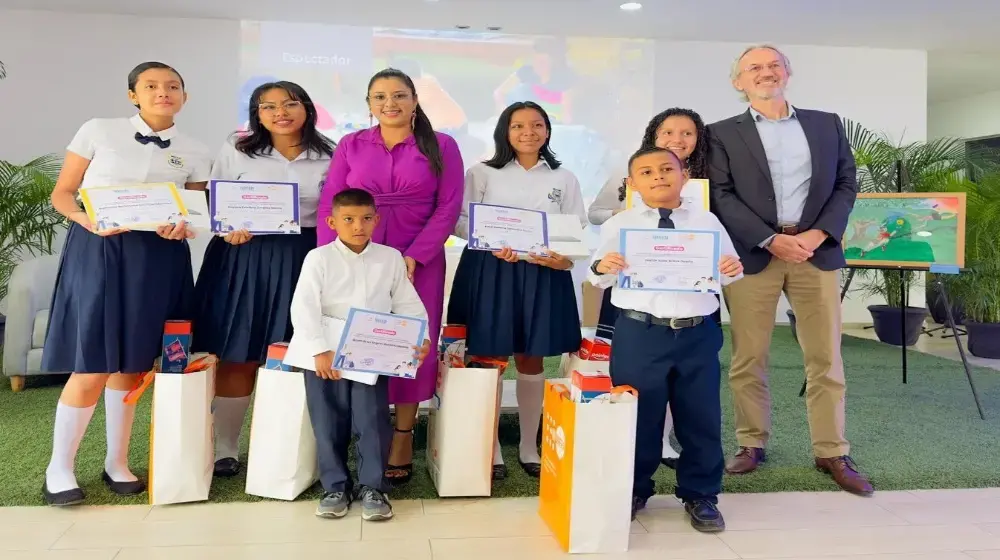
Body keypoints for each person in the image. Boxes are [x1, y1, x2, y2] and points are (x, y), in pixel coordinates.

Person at [39, 61, 212, 506]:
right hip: (99, 250)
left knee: (134, 365)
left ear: (185, 97)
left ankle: (117, 462)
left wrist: (181, 227)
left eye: (173, 86)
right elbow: (63, 192)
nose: (163, 92)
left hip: (158, 257)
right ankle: (58, 468)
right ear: (133, 94)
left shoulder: (195, 148)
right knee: (93, 363)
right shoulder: (98, 129)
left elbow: (190, 211)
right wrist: (86, 219)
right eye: (151, 86)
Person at [707, 44, 871, 495]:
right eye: (753, 68)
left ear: (788, 72)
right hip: (754, 253)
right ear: (738, 81)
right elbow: (720, 194)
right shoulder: (719, 133)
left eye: (773, 65)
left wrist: (817, 235)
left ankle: (831, 450)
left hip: (814, 251)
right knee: (748, 357)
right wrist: (770, 238)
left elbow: (845, 182)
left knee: (825, 357)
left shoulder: (826, 124)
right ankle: (751, 442)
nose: (765, 72)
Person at [316, 68, 464, 486]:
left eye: (399, 95)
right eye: (379, 97)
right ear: (368, 104)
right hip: (357, 250)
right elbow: (333, 200)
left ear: (415, 100)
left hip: (419, 254)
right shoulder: (350, 144)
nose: (389, 104)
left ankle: (402, 433)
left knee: (411, 340)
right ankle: (361, 428)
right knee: (355, 335)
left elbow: (449, 206)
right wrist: (334, 255)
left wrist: (416, 255)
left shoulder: (443, 145)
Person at [588, 146, 743, 532]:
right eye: (646, 171)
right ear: (633, 183)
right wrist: (602, 265)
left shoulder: (707, 221)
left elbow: (731, 271)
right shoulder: (619, 225)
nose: (658, 176)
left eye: (666, 169)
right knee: (638, 416)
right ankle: (635, 489)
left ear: (684, 176)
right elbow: (595, 275)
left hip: (697, 333)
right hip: (640, 332)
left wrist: (731, 267)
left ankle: (701, 493)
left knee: (701, 415)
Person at [192, 81, 336, 478]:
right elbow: (214, 199)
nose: (280, 113)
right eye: (267, 106)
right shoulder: (237, 148)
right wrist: (226, 228)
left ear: (307, 107)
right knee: (239, 350)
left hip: (304, 256)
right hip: (242, 255)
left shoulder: (331, 154)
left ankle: (292, 444)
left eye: (289, 104)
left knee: (298, 352)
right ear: (257, 113)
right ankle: (225, 449)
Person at [449, 101, 586, 480]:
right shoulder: (481, 172)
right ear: (504, 132)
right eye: (518, 126)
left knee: (532, 357)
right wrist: (489, 242)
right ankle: (490, 447)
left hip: (542, 274)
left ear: (547, 131)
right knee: (488, 358)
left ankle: (529, 445)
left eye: (537, 125)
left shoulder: (564, 177)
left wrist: (559, 257)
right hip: (491, 270)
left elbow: (575, 228)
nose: (528, 132)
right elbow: (459, 220)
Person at [290, 188, 431, 521]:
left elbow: (407, 303)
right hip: (326, 352)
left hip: (371, 354)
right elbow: (304, 306)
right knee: (327, 421)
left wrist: (419, 338)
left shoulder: (389, 257)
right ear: (332, 221)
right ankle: (335, 486)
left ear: (376, 220)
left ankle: (373, 487)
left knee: (371, 420)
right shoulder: (319, 258)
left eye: (366, 218)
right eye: (349, 219)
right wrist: (319, 350)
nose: (358, 226)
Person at [587, 107, 710, 468]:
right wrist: (629, 224)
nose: (677, 139)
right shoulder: (634, 175)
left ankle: (671, 442)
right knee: (641, 380)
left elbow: (720, 245)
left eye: (687, 133)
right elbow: (596, 215)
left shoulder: (708, 184)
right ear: (653, 136)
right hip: (640, 303)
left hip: (690, 303)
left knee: (688, 384)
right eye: (668, 132)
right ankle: (639, 469)